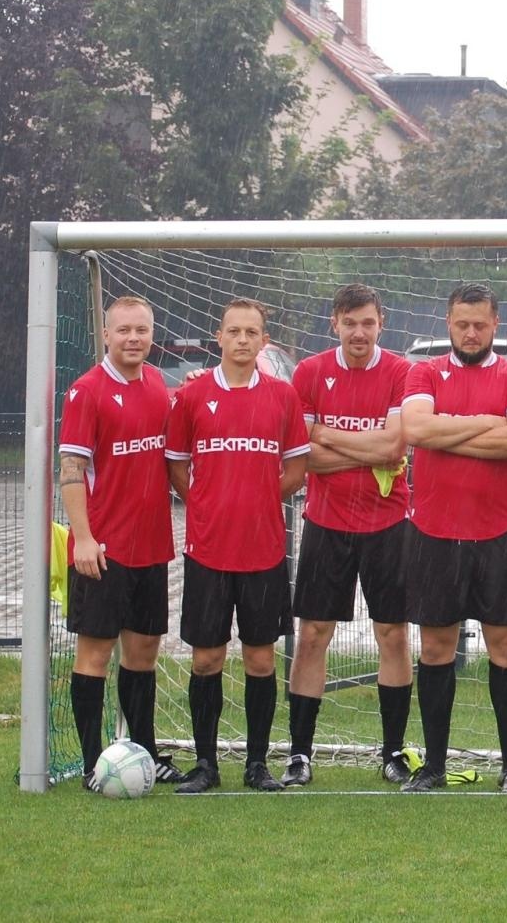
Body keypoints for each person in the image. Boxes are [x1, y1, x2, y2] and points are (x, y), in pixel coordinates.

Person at [165, 298, 310, 793]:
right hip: (208, 549)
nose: (243, 339)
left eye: (253, 332)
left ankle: (256, 765)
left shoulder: (283, 396)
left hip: (264, 550)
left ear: (264, 341)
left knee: (261, 660)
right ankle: (206, 765)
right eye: (234, 331)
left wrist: (261, 498)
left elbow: (296, 467)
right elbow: (177, 465)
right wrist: (203, 502)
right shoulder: (192, 397)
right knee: (206, 659)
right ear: (220, 337)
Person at [400, 284, 507, 793]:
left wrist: (449, 427)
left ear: (495, 323)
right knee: (436, 648)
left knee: (505, 646)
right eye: (462, 324)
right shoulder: (423, 372)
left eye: (480, 323)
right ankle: (434, 766)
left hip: (497, 536)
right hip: (433, 534)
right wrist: (485, 423)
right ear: (448, 322)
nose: (471, 332)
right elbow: (415, 430)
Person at [281, 284, 413, 788]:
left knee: (393, 634)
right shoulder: (311, 372)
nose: (359, 332)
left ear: (382, 323)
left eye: (368, 323)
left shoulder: (401, 371)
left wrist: (329, 437)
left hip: (389, 524)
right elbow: (302, 455)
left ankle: (394, 753)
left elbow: (395, 446)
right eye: (349, 322)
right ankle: (299, 754)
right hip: (326, 523)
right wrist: (371, 447)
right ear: (333, 323)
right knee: (313, 635)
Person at [58, 295, 182, 791]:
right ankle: (94, 764)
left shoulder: (156, 384)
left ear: (153, 335)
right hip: (102, 551)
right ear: (106, 335)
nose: (134, 338)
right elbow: (70, 472)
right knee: (95, 654)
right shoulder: (86, 391)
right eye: (124, 330)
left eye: (143, 330)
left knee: (144, 652)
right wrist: (83, 539)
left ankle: (146, 754)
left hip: (152, 544)